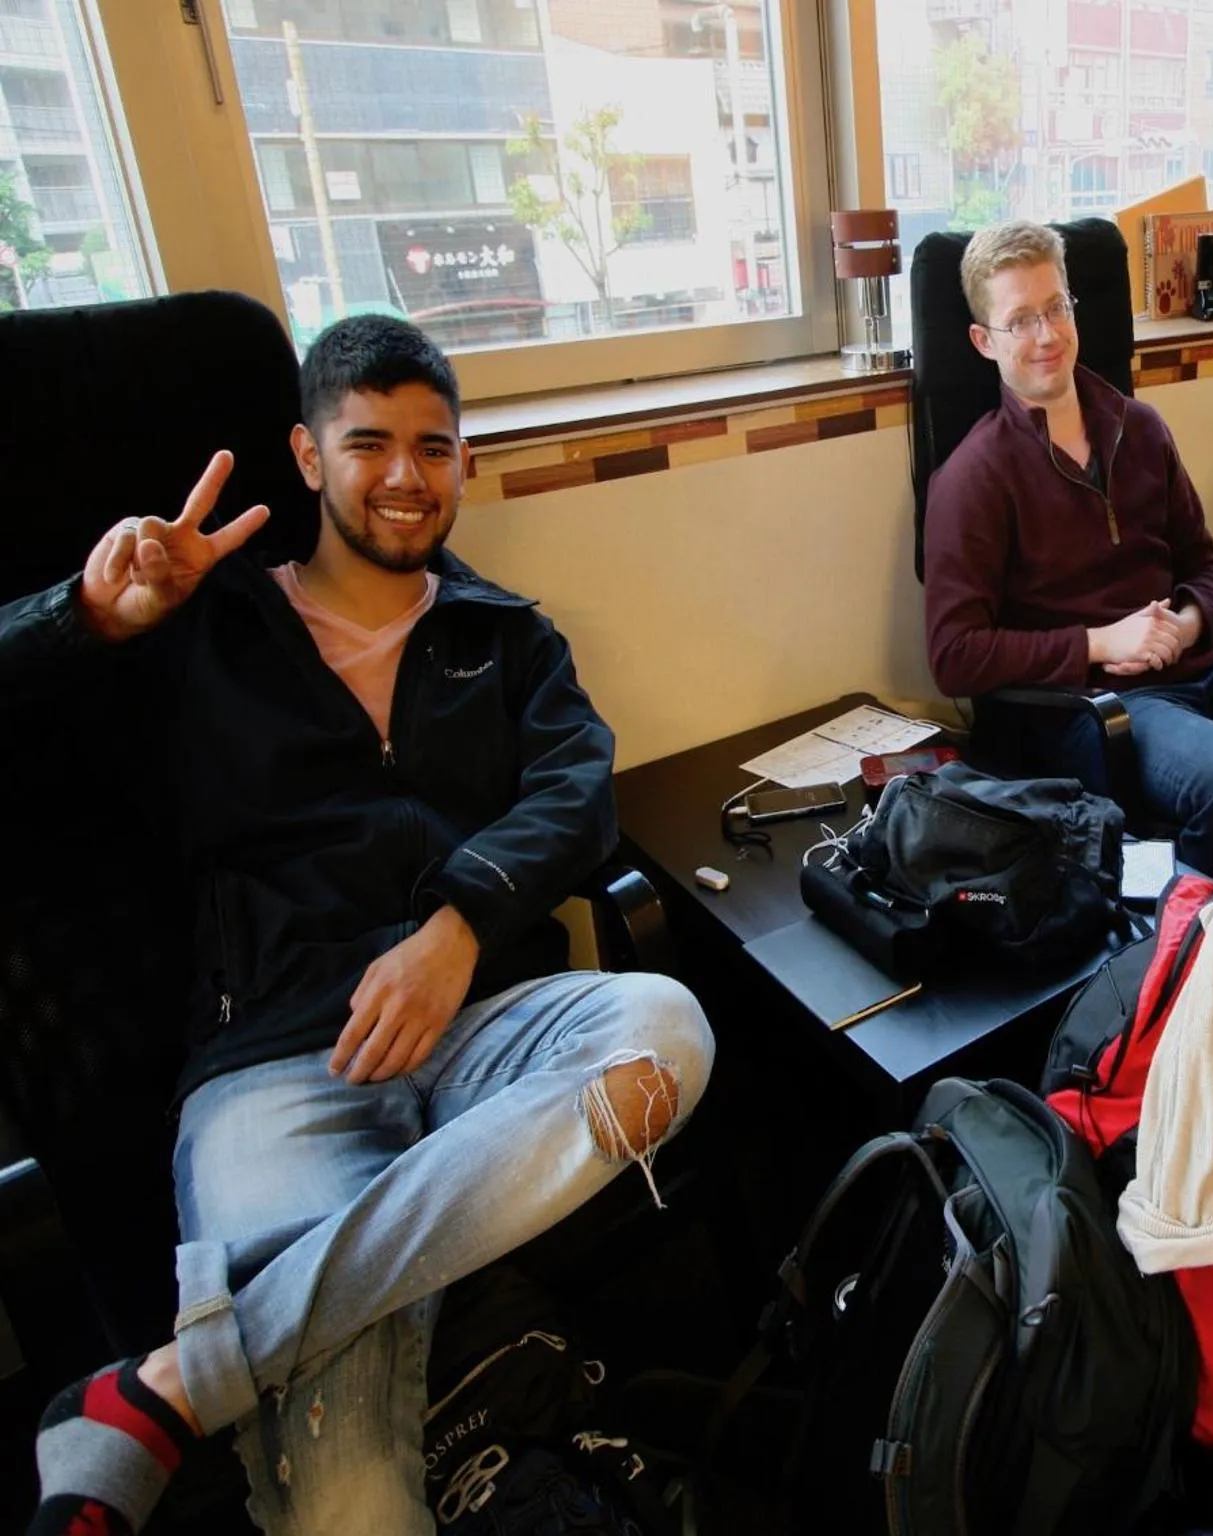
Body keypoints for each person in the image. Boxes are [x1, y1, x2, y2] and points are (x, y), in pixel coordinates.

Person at [11, 315, 715, 1536]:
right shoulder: (207, 626)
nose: (404, 477)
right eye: (368, 443)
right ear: (305, 453)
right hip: (282, 1060)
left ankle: (178, 1382)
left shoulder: (502, 636)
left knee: (665, 1026)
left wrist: (456, 923)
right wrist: (87, 613)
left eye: (433, 448)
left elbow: (577, 791)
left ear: (464, 465)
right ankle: (267, 1350)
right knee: (346, 1502)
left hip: (486, 1018)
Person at [923, 219, 1213, 879]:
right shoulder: (972, 476)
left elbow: (1203, 566)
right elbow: (954, 657)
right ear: (983, 342)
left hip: (1202, 669)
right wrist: (1103, 643)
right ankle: (1204, 962)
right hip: (1091, 710)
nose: (1045, 335)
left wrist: (1185, 622)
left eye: (1055, 308)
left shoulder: (1140, 428)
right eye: (1020, 321)